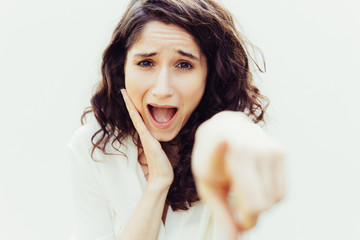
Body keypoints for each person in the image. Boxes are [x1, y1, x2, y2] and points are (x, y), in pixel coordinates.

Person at [68, 0, 285, 239]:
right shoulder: (92, 149)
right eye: (146, 63)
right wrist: (158, 182)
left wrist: (230, 128)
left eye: (184, 64)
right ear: (123, 69)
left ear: (209, 75)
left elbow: (229, 135)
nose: (162, 89)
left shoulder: (224, 155)